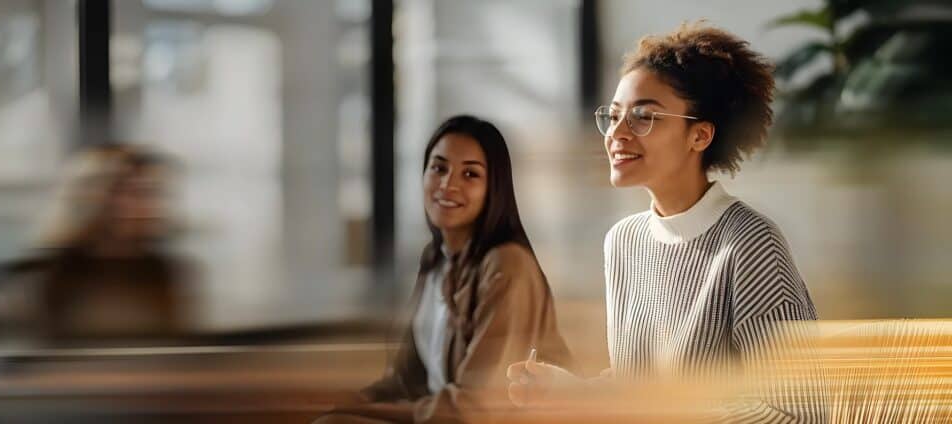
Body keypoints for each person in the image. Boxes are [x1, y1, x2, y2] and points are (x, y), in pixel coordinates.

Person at [507, 22, 826, 422]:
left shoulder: (751, 244)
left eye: (644, 118)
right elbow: (639, 389)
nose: (617, 134)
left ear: (700, 136)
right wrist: (572, 390)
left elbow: (797, 413)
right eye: (614, 116)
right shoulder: (624, 242)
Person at [320, 115, 573, 423]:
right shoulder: (435, 260)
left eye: (470, 174)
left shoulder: (508, 265)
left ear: (494, 188)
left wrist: (359, 413)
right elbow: (406, 382)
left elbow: (479, 406)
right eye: (438, 168)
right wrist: (345, 404)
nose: (448, 185)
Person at [0, 144, 191, 342]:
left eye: (155, 193)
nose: (151, 205)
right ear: (96, 197)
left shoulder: (161, 270)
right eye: (135, 193)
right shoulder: (45, 276)